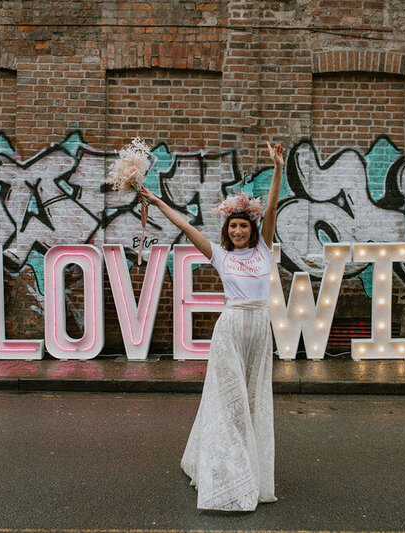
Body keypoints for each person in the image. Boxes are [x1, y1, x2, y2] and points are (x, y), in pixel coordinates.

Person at [138, 141, 284, 511]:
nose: (238, 231)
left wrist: (278, 167)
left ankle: (251, 466)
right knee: (228, 402)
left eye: (243, 227)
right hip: (231, 329)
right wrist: (157, 204)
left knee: (252, 400)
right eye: (233, 227)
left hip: (259, 331)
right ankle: (226, 474)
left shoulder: (264, 249)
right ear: (227, 230)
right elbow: (186, 225)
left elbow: (271, 209)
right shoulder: (219, 254)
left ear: (251, 230)